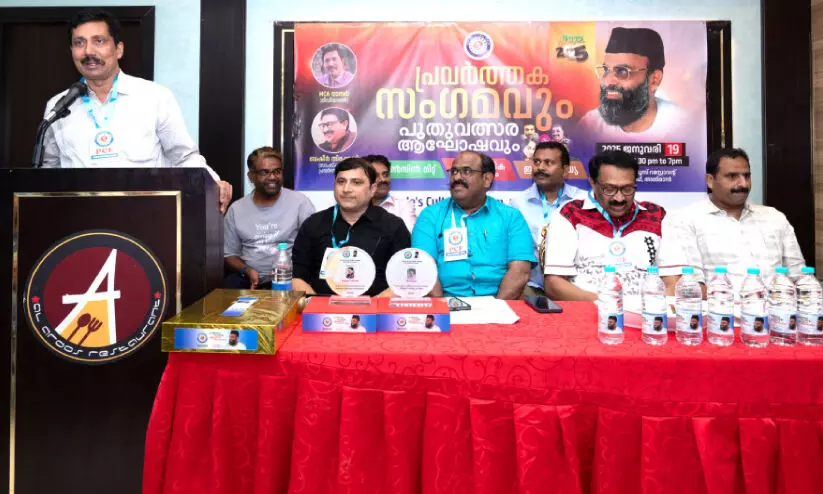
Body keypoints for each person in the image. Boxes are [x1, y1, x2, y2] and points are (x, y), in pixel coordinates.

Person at [42, 9, 232, 212]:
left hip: (146, 216)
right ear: (72, 51)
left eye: (99, 41)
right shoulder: (58, 106)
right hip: (81, 219)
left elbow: (184, 157)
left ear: (119, 49)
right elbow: (48, 171)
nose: (88, 51)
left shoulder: (154, 97)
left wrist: (213, 183)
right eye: (79, 43)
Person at [658, 148, 805, 293]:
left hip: (778, 306)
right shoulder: (683, 220)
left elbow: (800, 278)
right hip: (717, 307)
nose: (743, 184)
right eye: (732, 176)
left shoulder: (774, 218)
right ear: (710, 181)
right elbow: (681, 286)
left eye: (746, 176)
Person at [543, 150, 666, 300]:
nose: (619, 198)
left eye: (627, 189)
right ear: (593, 183)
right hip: (589, 308)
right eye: (609, 189)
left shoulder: (657, 215)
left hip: (646, 310)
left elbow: (674, 281)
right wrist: (607, 305)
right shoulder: (570, 214)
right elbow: (554, 284)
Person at [412, 151, 535, 299]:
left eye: (466, 171)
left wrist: (496, 309)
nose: (457, 177)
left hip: (498, 302)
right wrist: (443, 308)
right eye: (454, 171)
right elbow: (424, 268)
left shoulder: (511, 217)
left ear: (487, 179)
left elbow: (520, 272)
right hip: (447, 301)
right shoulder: (430, 216)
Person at [291, 157, 410, 296]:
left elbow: (404, 280)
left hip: (376, 306)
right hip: (322, 307)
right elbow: (297, 277)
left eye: (356, 182)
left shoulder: (393, 226)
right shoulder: (313, 224)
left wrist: (371, 306)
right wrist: (318, 304)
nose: (346, 189)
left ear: (372, 189)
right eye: (341, 182)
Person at [223, 147, 315, 289]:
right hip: (249, 279)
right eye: (264, 172)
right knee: (230, 286)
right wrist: (247, 271)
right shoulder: (236, 209)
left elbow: (313, 246)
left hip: (290, 278)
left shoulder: (300, 203)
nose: (272, 177)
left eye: (277, 171)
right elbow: (230, 255)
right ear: (251, 177)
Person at [577, 27, 687, 141]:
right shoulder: (590, 125)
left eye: (622, 71)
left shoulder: (682, 127)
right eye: (606, 70)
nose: (608, 81)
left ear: (654, 80)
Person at [512, 142, 585, 297]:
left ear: (565, 170)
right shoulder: (518, 203)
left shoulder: (582, 201)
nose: (540, 168)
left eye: (548, 163)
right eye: (537, 162)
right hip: (533, 286)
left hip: (574, 288)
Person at [365, 154, 417, 231]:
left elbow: (407, 236)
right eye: (376, 175)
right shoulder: (356, 206)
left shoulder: (402, 206)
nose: (382, 179)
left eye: (385, 174)